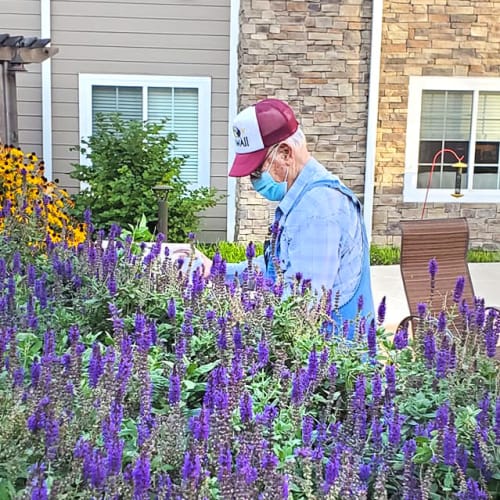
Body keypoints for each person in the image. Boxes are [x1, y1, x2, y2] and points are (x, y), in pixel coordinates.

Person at [204, 98, 374, 337]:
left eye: (256, 171)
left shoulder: (318, 211)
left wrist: (235, 322)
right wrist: (216, 271)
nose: (253, 181)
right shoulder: (303, 199)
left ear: (285, 153)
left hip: (333, 364)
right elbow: (279, 268)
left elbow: (301, 310)